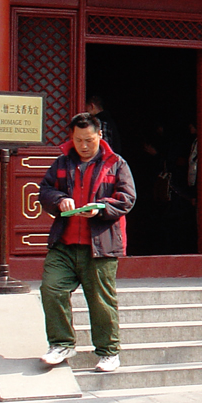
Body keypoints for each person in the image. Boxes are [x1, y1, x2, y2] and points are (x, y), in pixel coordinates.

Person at [38, 111, 136, 373]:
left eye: (89, 140)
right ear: (72, 137)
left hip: (100, 245)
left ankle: (108, 352)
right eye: (79, 140)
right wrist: (59, 199)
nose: (83, 145)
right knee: (51, 289)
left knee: (101, 301)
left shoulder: (116, 163)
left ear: (100, 135)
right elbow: (44, 190)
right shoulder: (61, 163)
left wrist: (101, 208)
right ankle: (61, 343)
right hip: (65, 244)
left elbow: (127, 198)